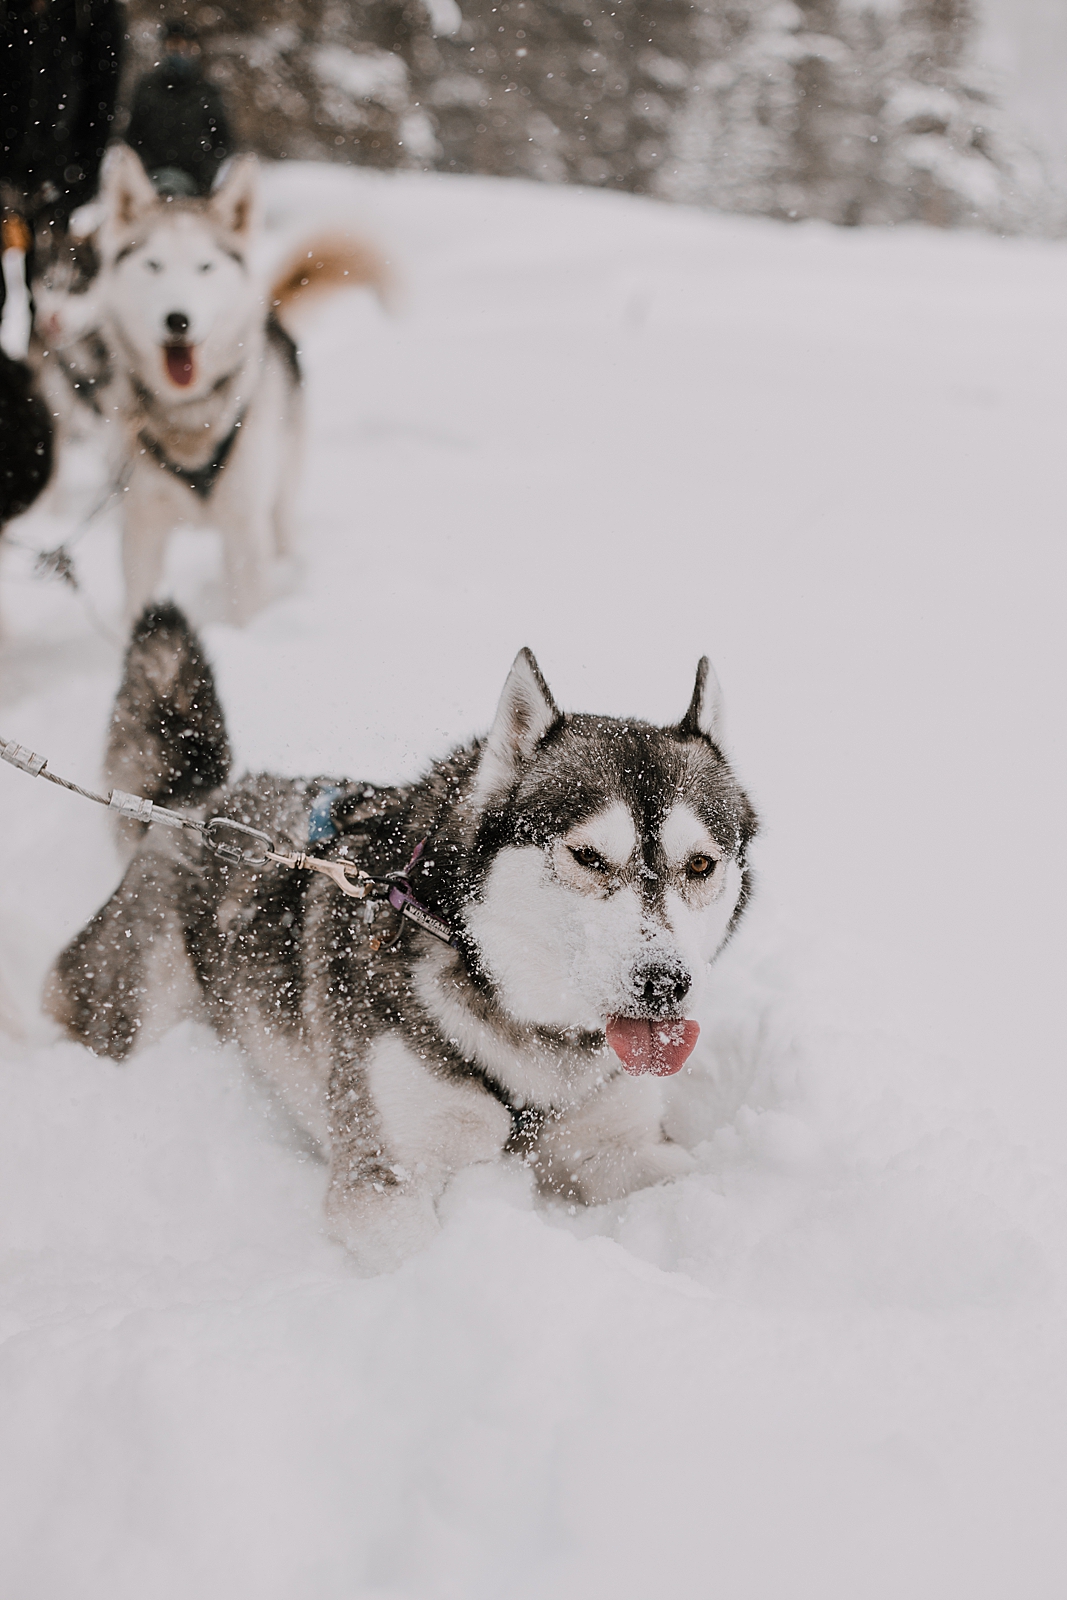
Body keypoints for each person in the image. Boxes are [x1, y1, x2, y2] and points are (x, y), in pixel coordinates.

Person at [0, 0, 124, 318]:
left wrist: (82, 174)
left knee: (48, 299)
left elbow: (102, 100)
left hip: (55, 177)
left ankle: (38, 360)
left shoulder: (91, 12)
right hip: (9, 170)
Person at [124, 20, 234, 198]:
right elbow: (132, 136)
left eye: (184, 46)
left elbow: (223, 140)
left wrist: (204, 173)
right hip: (152, 184)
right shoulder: (147, 88)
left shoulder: (207, 91)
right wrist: (146, 170)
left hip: (196, 185)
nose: (178, 51)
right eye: (173, 45)